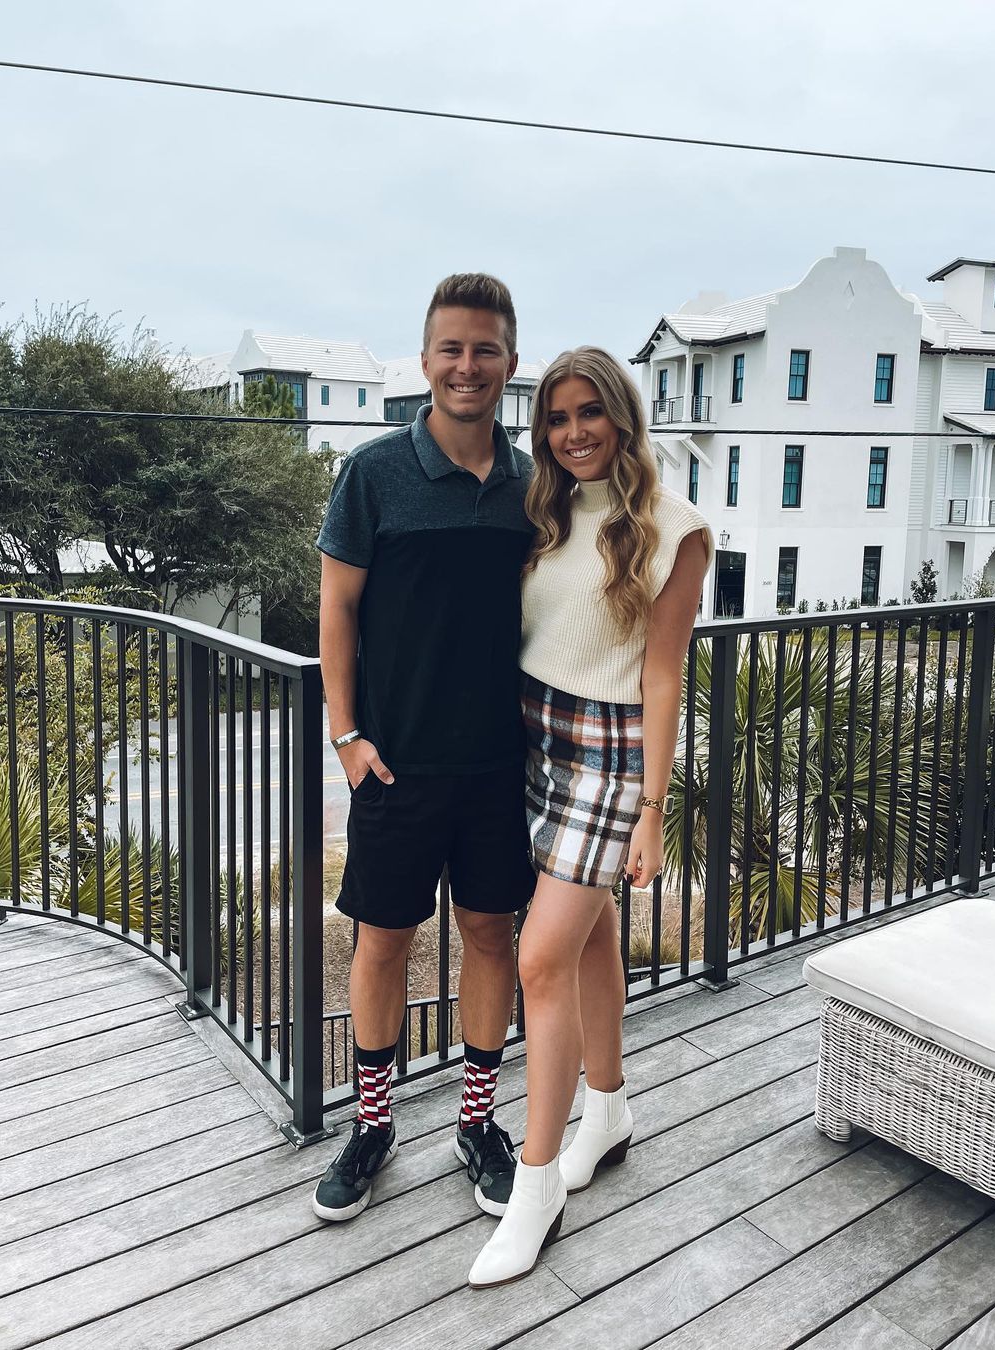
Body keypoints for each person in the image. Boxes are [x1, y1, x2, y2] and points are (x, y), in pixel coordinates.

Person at [468, 347, 713, 1287]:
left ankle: (536, 1189)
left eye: (589, 415)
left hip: (610, 757)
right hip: (533, 740)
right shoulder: (552, 511)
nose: (573, 432)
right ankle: (606, 1113)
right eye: (558, 418)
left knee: (539, 957)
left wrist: (652, 809)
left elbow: (662, 674)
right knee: (592, 942)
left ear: (622, 417)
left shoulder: (674, 529)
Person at [312, 274, 536, 1224]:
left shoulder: (536, 483)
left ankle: (476, 1124)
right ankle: (374, 1127)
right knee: (383, 944)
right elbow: (337, 608)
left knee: (492, 936)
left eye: (485, 350)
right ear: (425, 360)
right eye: (451, 349)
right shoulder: (372, 474)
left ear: (509, 363)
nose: (467, 366)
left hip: (498, 766)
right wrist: (347, 734)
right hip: (396, 763)